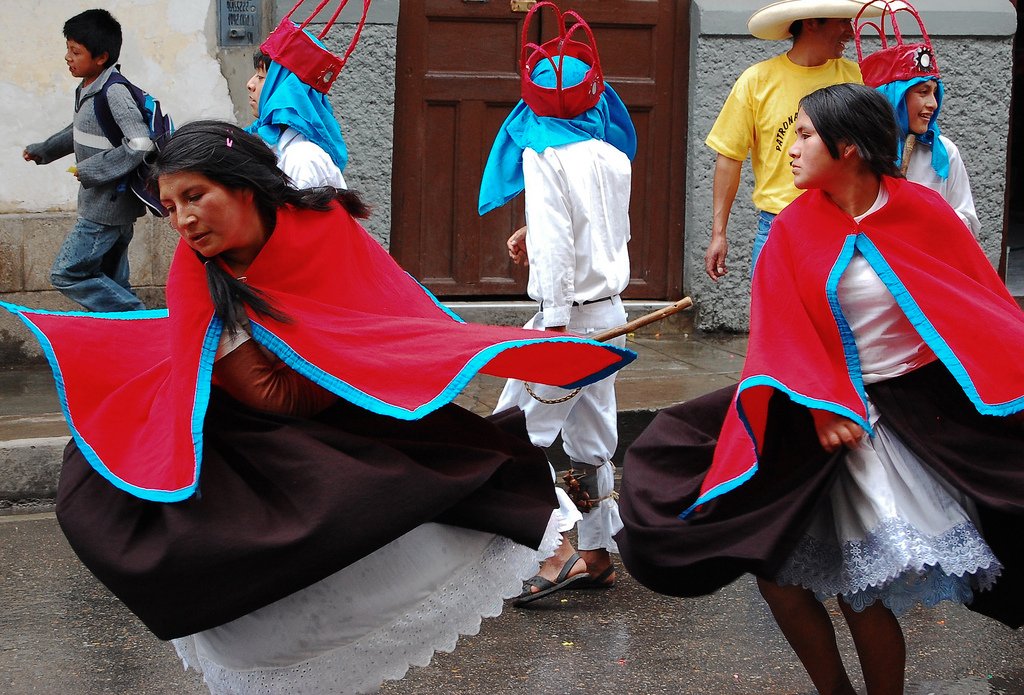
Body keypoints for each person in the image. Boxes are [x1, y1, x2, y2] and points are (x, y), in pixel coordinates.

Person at [1, 121, 635, 694]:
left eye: (195, 196)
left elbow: (388, 315)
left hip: (333, 413)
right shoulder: (199, 277)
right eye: (169, 208)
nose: (184, 221)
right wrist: (344, 359)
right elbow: (274, 395)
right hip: (243, 441)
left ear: (243, 185)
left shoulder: (324, 226)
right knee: (278, 589)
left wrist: (415, 353)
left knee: (470, 474)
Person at [618, 84, 1024, 695]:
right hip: (810, 413)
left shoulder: (924, 212)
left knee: (862, 589)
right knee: (776, 570)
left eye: (805, 135)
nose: (791, 149)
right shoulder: (791, 228)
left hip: (913, 417)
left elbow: (978, 305)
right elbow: (779, 330)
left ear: (851, 148)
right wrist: (820, 402)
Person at [478, 1, 637, 605]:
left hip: (566, 321)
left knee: (519, 432)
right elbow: (599, 231)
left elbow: (555, 252)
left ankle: (561, 548)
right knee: (595, 439)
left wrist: (552, 324)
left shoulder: (542, 156)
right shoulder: (611, 154)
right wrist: (536, 236)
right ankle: (597, 552)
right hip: (611, 311)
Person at [704, 0, 866, 280]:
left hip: (843, 225)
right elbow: (730, 157)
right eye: (842, 22)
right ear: (812, 22)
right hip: (777, 225)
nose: (850, 33)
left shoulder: (858, 77)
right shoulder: (757, 80)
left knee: (836, 323)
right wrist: (719, 233)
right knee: (771, 322)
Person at [22, 8, 148, 312]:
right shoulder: (88, 87)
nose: (68, 57)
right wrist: (46, 150)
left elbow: (142, 143)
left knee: (67, 273)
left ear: (101, 57)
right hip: (105, 206)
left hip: (106, 208)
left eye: (75, 51)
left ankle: (140, 318)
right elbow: (79, 130)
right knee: (111, 282)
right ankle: (128, 344)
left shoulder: (113, 91)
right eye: (68, 49)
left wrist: (92, 169)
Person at [855, 0, 981, 236]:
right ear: (892, 98)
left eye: (935, 92)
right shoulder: (858, 153)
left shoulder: (945, 152)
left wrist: (927, 216)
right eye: (922, 92)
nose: (933, 104)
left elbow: (968, 221)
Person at [246, 47, 348, 189]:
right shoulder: (277, 146)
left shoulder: (302, 159)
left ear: (287, 90)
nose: (250, 84)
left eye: (261, 77)